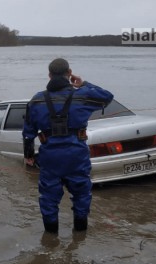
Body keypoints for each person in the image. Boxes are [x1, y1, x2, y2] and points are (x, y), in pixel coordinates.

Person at [23, 58, 114, 233]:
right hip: (76, 154)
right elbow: (107, 96)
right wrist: (83, 83)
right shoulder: (83, 95)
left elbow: (28, 132)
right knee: (81, 195)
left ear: (49, 75)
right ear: (69, 73)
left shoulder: (37, 99)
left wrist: (28, 154)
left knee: (49, 199)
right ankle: (79, 239)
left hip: (50, 156)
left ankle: (51, 241)